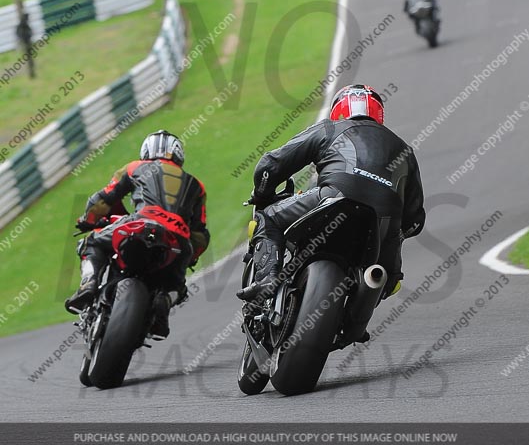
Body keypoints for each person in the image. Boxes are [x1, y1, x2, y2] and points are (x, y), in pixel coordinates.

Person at [237, 85, 425, 306]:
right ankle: (354, 319)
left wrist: (263, 195)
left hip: (334, 198)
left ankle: (267, 279)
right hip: (385, 225)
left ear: (339, 110)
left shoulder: (330, 129)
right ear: (378, 113)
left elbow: (270, 166)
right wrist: (397, 233)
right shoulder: (405, 150)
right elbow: (415, 221)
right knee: (388, 282)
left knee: (267, 218)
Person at [65, 130, 209, 337]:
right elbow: (200, 233)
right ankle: (164, 305)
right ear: (178, 154)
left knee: (92, 242)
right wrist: (190, 256)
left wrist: (88, 220)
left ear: (146, 151)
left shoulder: (135, 167)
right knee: (177, 285)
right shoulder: (197, 186)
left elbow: (103, 199)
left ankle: (89, 282)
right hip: (177, 238)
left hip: (139, 223)